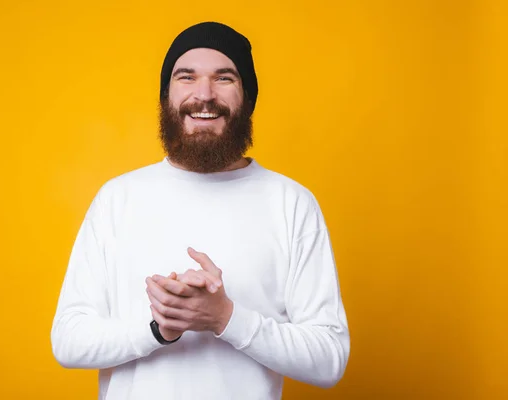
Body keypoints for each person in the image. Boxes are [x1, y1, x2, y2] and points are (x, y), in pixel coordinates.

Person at [50, 21, 350, 400]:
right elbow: (69, 341)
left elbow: (329, 359)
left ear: (247, 98)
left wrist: (225, 318)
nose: (204, 95)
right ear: (166, 96)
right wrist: (159, 328)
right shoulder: (118, 199)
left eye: (224, 78)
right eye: (186, 77)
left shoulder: (291, 204)